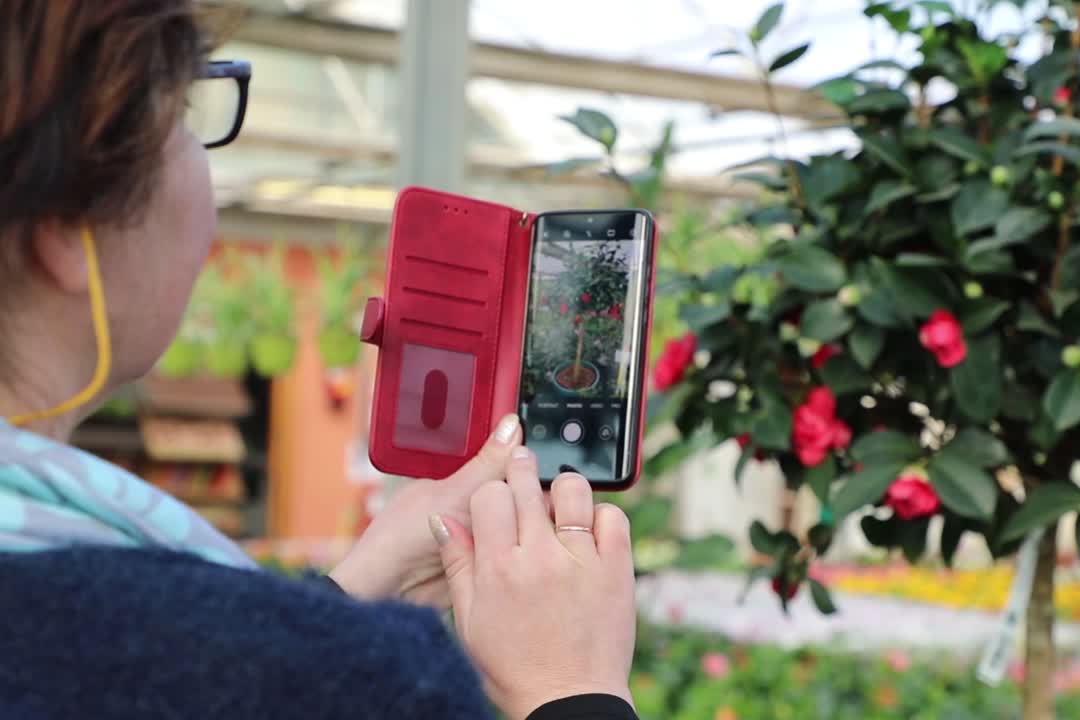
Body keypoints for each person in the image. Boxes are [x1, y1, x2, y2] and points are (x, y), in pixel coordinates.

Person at [0, 2, 639, 719]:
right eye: (182, 108)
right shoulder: (369, 678)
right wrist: (571, 687)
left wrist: (345, 598)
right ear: (68, 225)